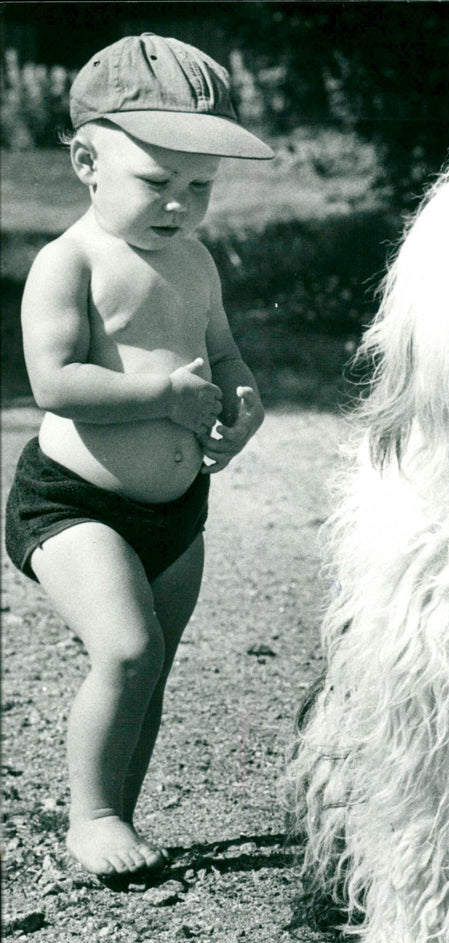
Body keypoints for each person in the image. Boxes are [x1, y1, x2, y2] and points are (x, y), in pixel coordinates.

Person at [4, 33, 272, 878]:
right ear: (87, 160)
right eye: (157, 183)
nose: (179, 207)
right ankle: (90, 816)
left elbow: (220, 352)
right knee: (124, 648)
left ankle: (121, 809)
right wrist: (160, 398)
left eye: (200, 188)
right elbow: (54, 381)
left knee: (151, 667)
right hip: (75, 503)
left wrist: (242, 401)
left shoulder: (193, 261)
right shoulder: (69, 261)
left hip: (174, 509)